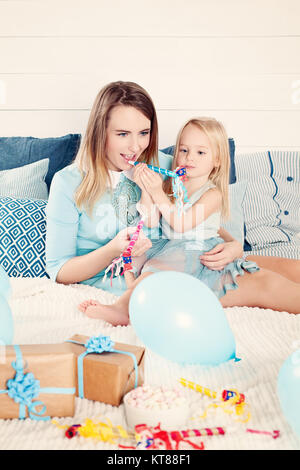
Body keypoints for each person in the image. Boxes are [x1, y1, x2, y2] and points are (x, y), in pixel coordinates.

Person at [78, 117, 300, 324]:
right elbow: (153, 220)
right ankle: (129, 302)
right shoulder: (173, 185)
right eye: (184, 150)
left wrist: (157, 193)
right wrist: (147, 189)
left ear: (218, 160)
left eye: (200, 152)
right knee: (145, 266)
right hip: (172, 248)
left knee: (155, 271)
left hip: (195, 249)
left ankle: (123, 309)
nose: (189, 157)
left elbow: (181, 224)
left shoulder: (212, 194)